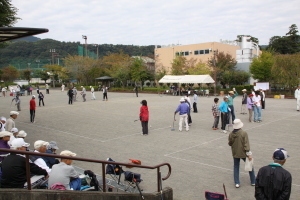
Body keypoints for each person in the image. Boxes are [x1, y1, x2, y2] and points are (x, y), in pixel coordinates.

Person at [228, 119, 255, 188]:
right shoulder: (243, 133)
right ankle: (253, 181)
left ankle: (237, 182)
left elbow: (230, 143)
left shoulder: (231, 134)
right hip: (243, 152)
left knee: (236, 167)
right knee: (250, 166)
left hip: (235, 152)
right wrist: (249, 154)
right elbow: (246, 144)